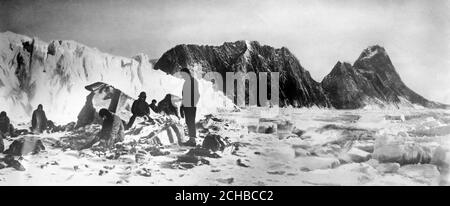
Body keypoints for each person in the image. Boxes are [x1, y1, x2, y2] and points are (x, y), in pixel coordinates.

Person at [179, 68, 200, 146]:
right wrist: (182, 106)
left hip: (190, 106)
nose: (182, 76)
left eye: (183, 75)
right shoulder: (186, 82)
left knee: (190, 122)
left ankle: (193, 140)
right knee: (188, 122)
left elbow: (197, 95)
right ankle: (191, 139)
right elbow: (184, 96)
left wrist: (191, 104)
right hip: (187, 106)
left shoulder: (193, 81)